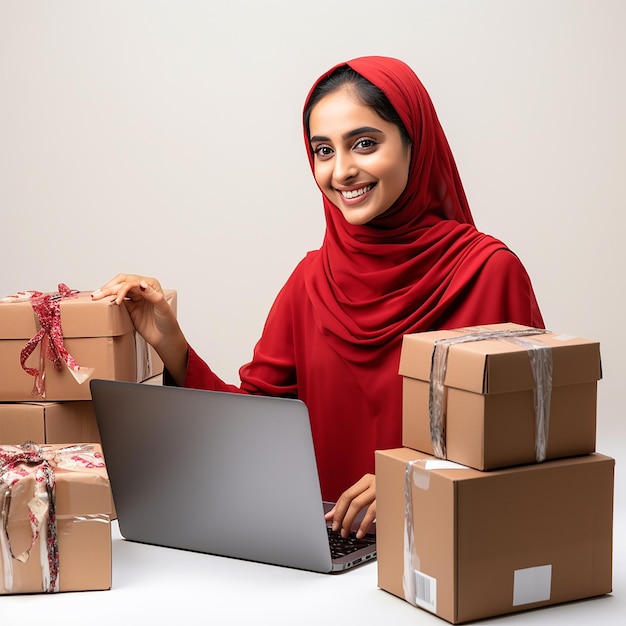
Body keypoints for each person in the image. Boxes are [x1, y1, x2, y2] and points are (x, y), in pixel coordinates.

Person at [92, 56, 544, 540]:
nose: (342, 171)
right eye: (323, 151)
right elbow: (254, 434)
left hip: (449, 556)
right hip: (329, 563)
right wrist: (170, 342)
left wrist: (416, 481)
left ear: (416, 141)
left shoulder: (488, 273)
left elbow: (531, 448)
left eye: (365, 144)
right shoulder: (311, 282)